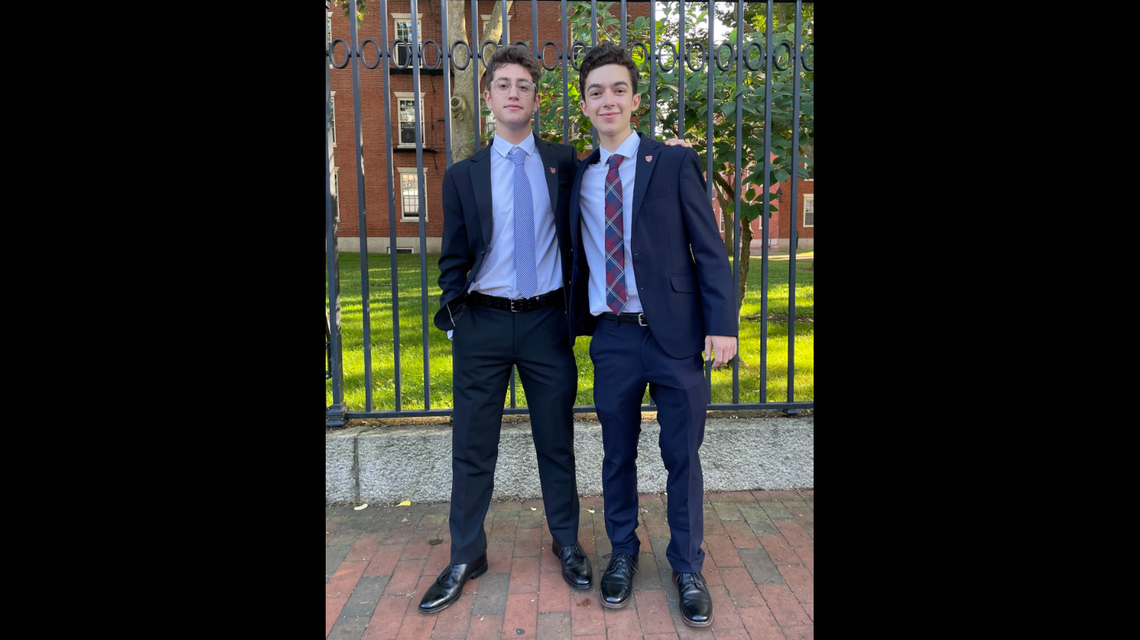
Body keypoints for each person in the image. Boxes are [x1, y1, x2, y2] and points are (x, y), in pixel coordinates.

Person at [422, 44, 691, 615]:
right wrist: (457, 321)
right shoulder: (462, 176)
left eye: (524, 85)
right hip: (484, 325)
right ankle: (466, 553)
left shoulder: (566, 163)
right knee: (472, 448)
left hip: (547, 323)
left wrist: (673, 151)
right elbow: (452, 259)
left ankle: (567, 542)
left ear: (536, 99)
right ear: (489, 97)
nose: (514, 93)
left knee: (556, 443)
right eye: (504, 85)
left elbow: (623, 177)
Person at [567, 42, 738, 628]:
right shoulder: (580, 174)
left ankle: (687, 563)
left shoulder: (671, 163)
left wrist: (721, 325)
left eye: (618, 89)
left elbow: (709, 251)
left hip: (676, 337)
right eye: (596, 91)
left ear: (635, 100)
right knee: (617, 454)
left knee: (681, 456)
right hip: (612, 337)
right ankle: (622, 552)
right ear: (585, 104)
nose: (607, 99)